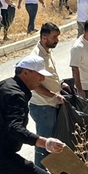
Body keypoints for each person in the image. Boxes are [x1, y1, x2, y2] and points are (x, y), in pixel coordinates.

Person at [28, 23, 65, 166]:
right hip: (43, 107)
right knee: (44, 144)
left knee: (50, 143)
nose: (57, 40)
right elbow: (35, 85)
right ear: (44, 37)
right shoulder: (36, 57)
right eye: (54, 37)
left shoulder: (47, 51)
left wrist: (61, 84)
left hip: (50, 105)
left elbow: (50, 77)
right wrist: (54, 96)